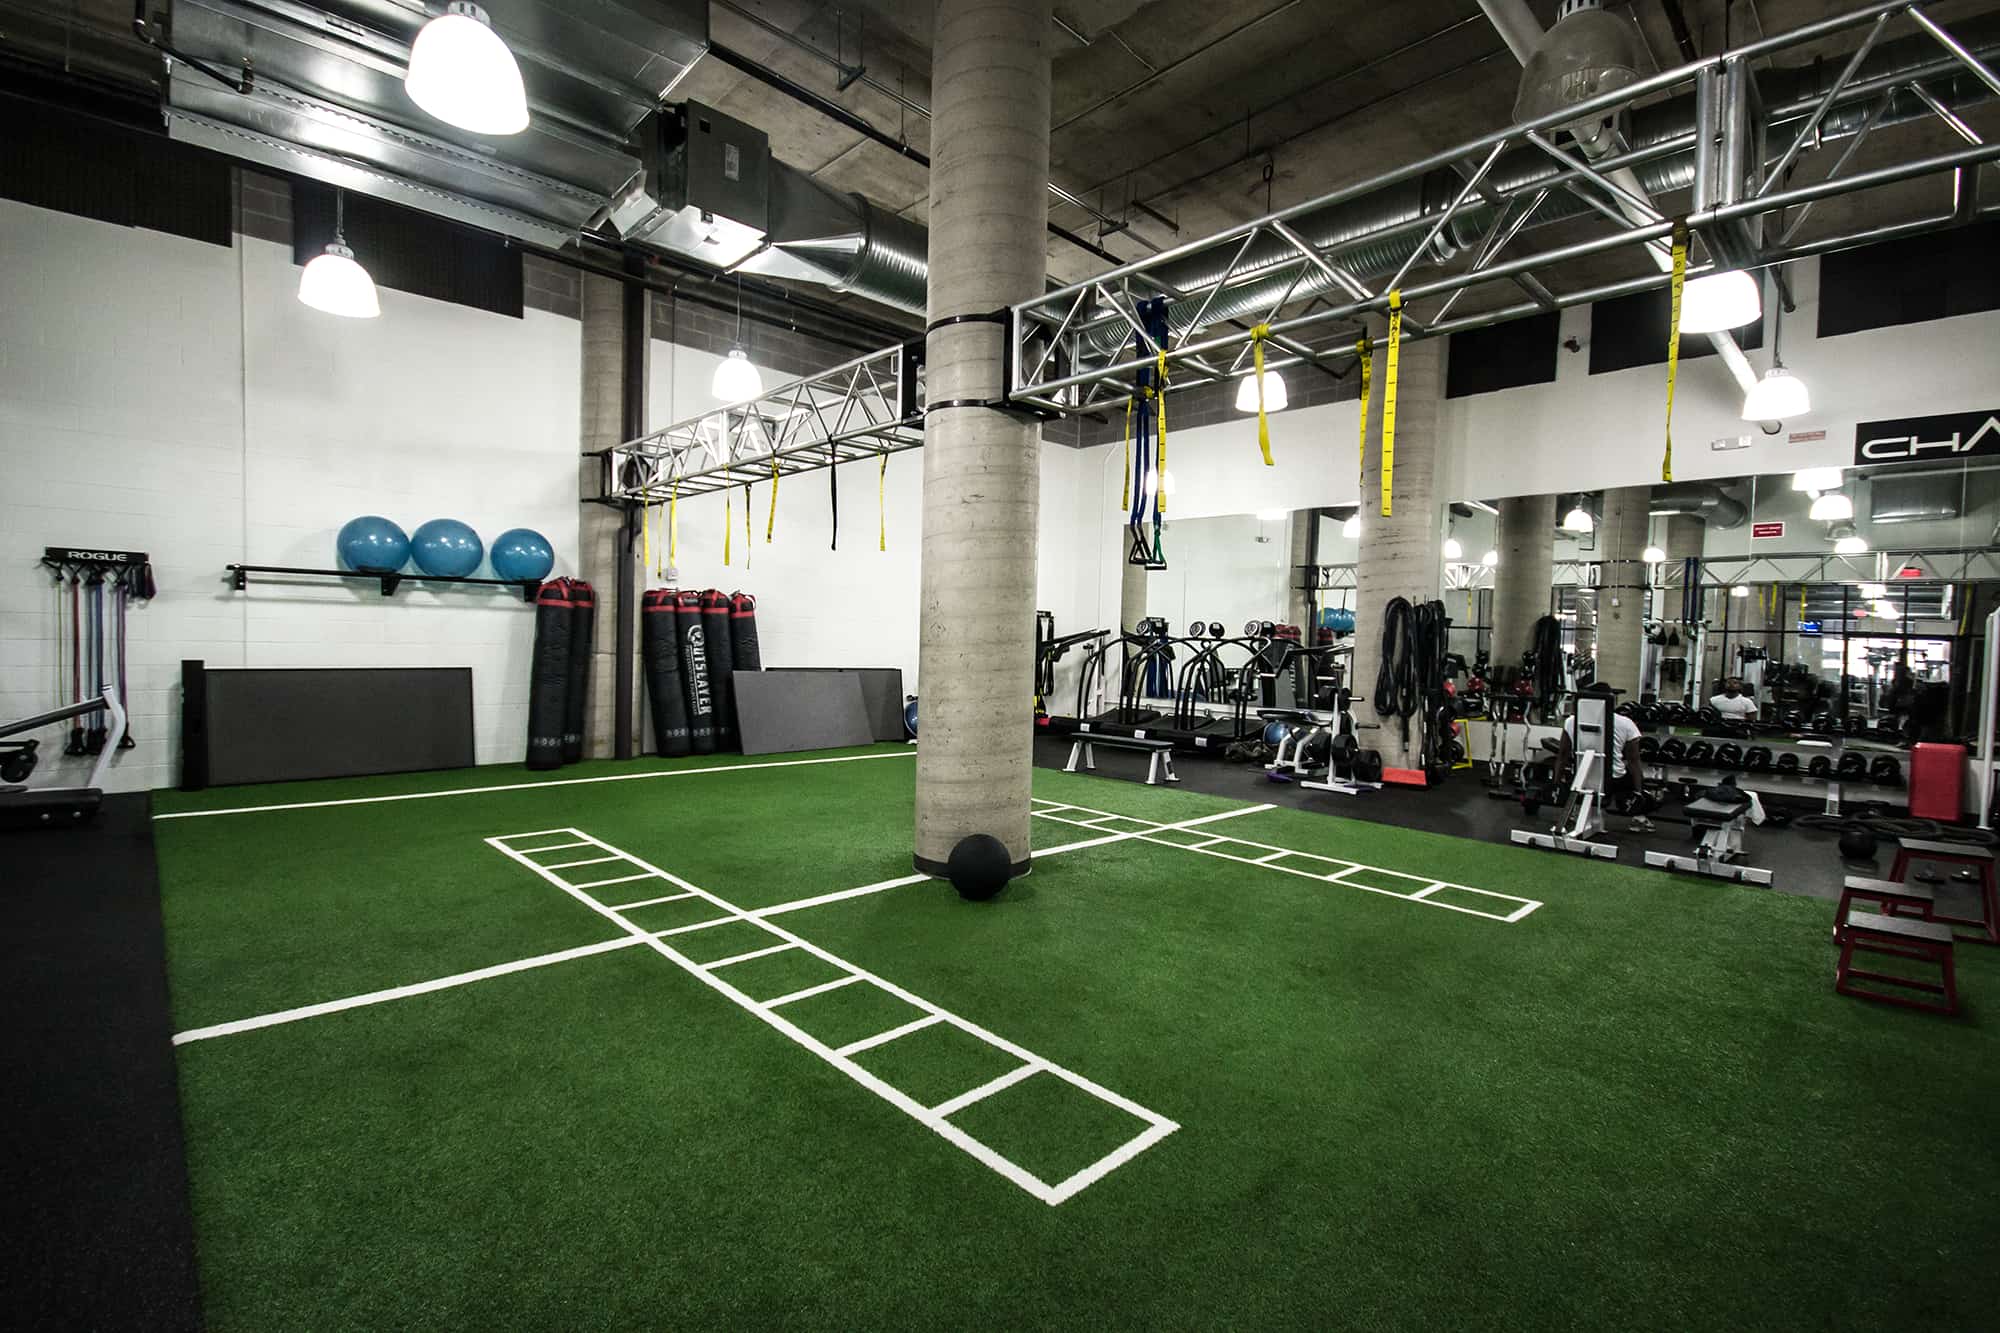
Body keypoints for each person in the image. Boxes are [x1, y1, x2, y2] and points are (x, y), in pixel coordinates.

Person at [1556, 691, 1653, 832]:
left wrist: (1556, 784)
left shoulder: (1571, 721)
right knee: (1637, 781)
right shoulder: (1625, 723)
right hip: (1615, 780)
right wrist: (1639, 793)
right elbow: (1633, 761)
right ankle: (1639, 818)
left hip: (1581, 779)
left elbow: (1563, 755)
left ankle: (1576, 812)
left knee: (1574, 773)